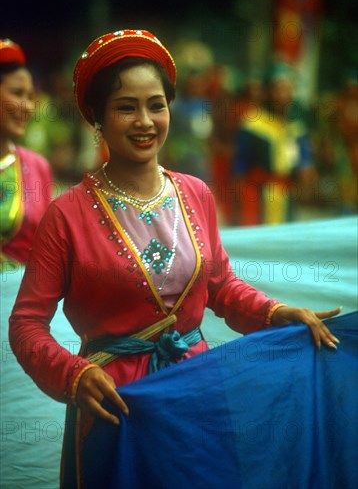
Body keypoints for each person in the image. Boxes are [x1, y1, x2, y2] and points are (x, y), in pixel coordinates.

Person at [9, 30, 341, 488]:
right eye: (126, 107)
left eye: (156, 105)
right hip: (116, 403)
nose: (145, 121)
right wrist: (74, 375)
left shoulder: (196, 194)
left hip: (197, 391)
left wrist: (276, 312)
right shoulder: (66, 215)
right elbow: (26, 324)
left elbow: (221, 286)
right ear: (96, 117)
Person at [232, 61, 316, 225]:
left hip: (287, 195)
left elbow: (305, 160)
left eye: (287, 89)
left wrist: (306, 170)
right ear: (267, 92)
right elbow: (240, 166)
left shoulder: (296, 127)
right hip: (258, 196)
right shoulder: (252, 124)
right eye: (277, 89)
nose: (282, 95)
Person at [0, 38, 53, 265]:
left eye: (30, 97)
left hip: (21, 297)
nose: (29, 106)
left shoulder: (36, 167)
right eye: (17, 93)